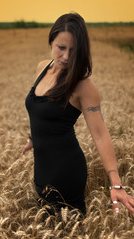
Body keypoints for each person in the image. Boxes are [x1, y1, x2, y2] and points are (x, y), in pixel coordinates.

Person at [22, 12, 134, 214]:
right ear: (51, 41)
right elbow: (39, 110)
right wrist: (34, 137)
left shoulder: (83, 86)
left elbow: (100, 134)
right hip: (41, 169)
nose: (66, 56)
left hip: (65, 171)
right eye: (61, 48)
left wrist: (116, 183)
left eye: (73, 51)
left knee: (68, 229)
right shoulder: (42, 68)